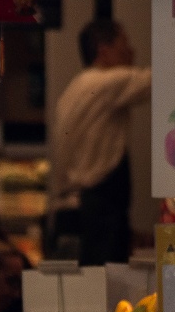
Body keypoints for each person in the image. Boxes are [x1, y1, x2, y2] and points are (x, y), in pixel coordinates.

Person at [50, 19, 151, 265]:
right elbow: (158, 79)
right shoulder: (107, 82)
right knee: (101, 292)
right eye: (124, 45)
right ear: (103, 51)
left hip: (70, 210)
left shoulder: (73, 89)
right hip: (96, 210)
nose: (132, 52)